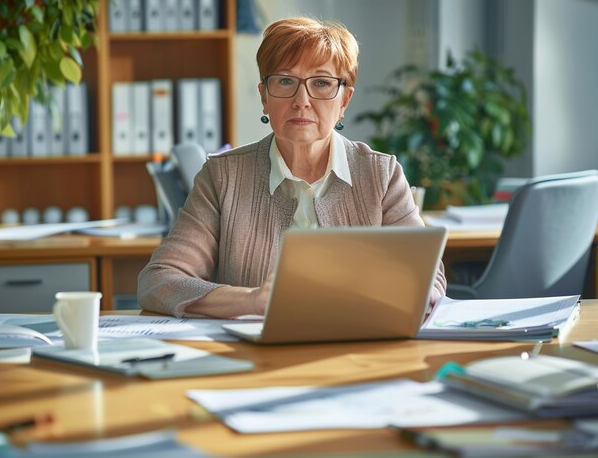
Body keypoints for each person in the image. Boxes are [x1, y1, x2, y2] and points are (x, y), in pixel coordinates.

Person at [137, 16, 446, 319]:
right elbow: (160, 280)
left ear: (344, 101)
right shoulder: (223, 176)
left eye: (322, 83)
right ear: (264, 97)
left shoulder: (381, 175)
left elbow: (430, 279)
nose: (302, 101)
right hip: (256, 358)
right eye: (285, 81)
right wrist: (251, 300)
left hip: (359, 348)